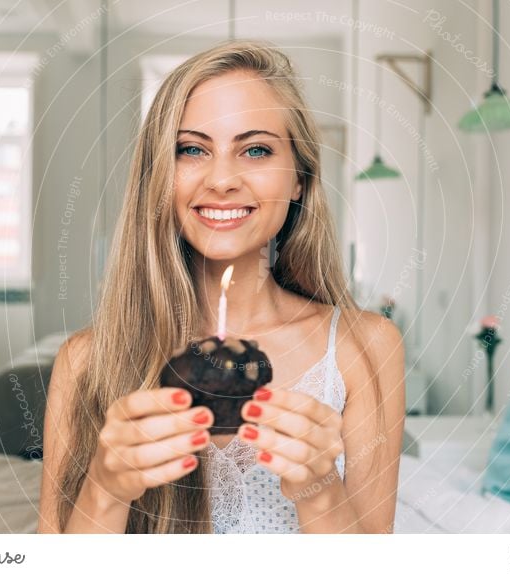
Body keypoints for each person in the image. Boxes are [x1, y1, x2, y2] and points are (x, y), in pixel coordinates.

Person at [37, 39, 405, 534]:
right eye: (192, 149)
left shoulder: (368, 347)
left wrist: (319, 493)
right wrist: (106, 487)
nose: (222, 179)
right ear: (159, 178)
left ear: (299, 178)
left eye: (255, 150)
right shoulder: (85, 361)